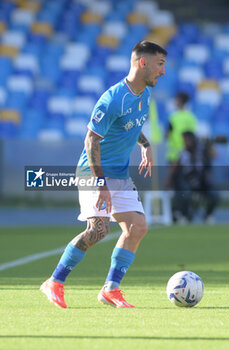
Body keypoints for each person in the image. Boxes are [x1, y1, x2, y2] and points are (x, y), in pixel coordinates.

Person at [40, 41, 167, 308]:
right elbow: (91, 141)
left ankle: (111, 289)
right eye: (160, 64)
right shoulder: (112, 99)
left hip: (119, 174)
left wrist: (145, 145)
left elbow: (132, 125)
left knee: (137, 227)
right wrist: (100, 184)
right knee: (98, 230)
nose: (163, 71)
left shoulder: (144, 93)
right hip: (92, 173)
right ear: (142, 62)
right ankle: (55, 281)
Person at [168, 131, 220, 223]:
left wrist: (209, 144)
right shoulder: (183, 153)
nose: (186, 142)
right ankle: (185, 215)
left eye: (187, 140)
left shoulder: (202, 149)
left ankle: (208, 214)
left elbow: (215, 154)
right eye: (184, 140)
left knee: (214, 194)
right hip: (188, 181)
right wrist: (169, 180)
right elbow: (176, 167)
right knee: (184, 193)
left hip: (202, 181)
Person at [166, 92, 197, 163]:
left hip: (174, 154)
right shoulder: (191, 117)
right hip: (185, 153)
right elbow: (192, 135)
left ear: (180, 101)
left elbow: (168, 133)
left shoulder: (173, 117)